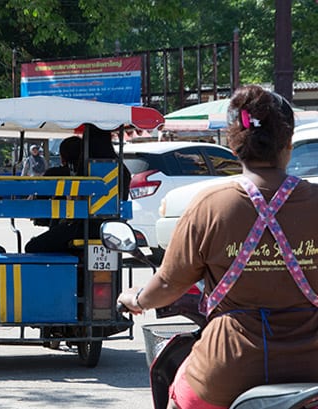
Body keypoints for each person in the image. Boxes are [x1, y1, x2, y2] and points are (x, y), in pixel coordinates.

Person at [118, 85, 318, 409]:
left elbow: (168, 284)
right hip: (310, 371)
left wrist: (136, 299)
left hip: (224, 373)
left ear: (233, 145)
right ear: (288, 144)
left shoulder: (210, 206)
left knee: (179, 397)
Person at [25, 126, 131, 252]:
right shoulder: (123, 170)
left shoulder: (82, 170)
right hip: (113, 230)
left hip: (82, 228)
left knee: (32, 247)